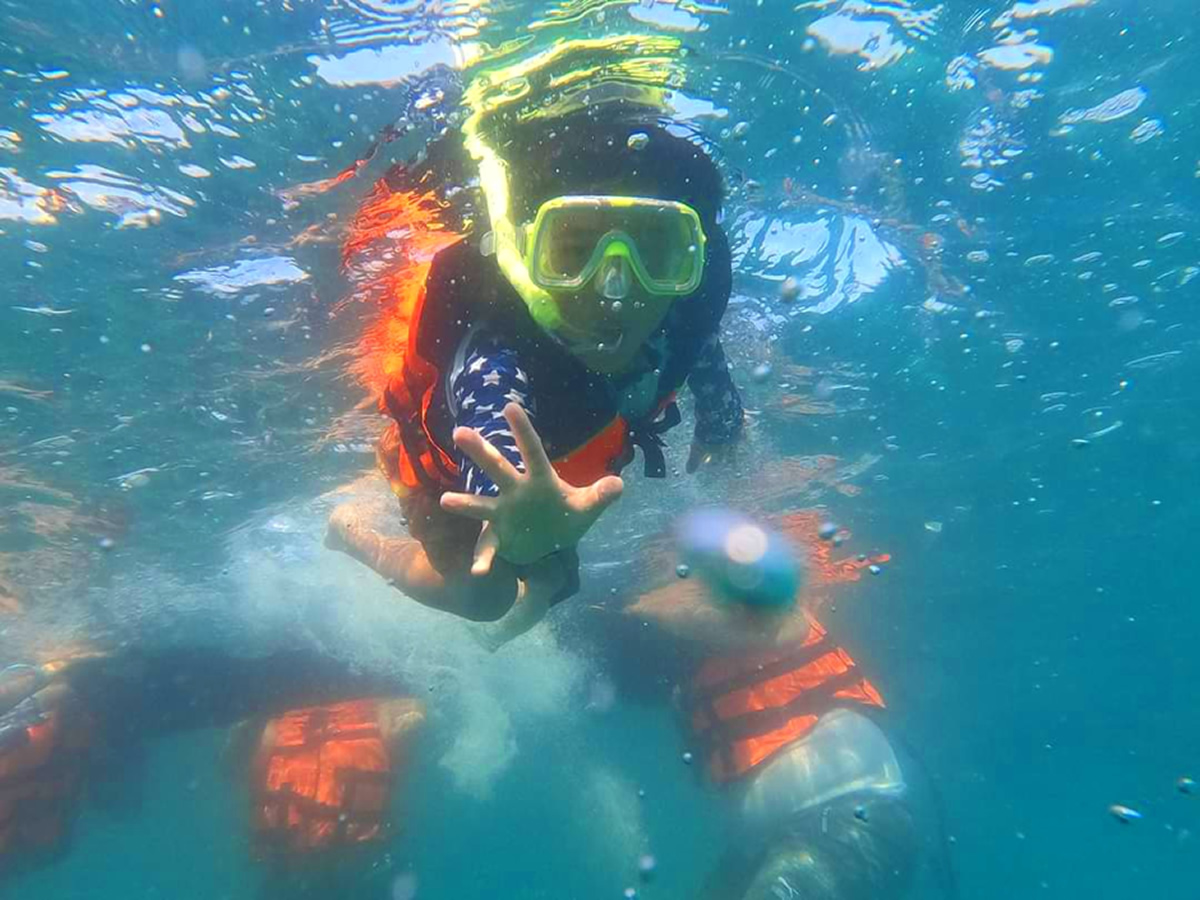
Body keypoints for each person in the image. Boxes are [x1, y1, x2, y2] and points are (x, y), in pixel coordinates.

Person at [324, 36, 746, 647]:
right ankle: (350, 535)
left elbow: (702, 349)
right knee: (484, 594)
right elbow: (491, 422)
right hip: (449, 485)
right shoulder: (494, 355)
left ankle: (539, 569)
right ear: (525, 258)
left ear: (691, 268)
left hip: (552, 494)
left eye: (656, 254)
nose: (615, 289)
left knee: (555, 575)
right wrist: (512, 510)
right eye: (574, 251)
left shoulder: (679, 318)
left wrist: (721, 426)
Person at [625, 511, 921, 900]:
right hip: (769, 843)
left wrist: (646, 607)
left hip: (850, 817)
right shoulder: (686, 647)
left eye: (664, 561)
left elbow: (780, 628)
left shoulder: (750, 594)